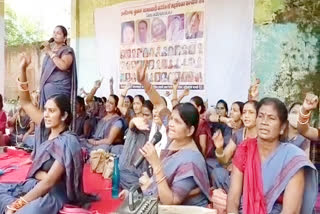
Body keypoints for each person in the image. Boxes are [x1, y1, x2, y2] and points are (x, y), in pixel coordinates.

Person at [5, 54, 96, 214]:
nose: (46, 114)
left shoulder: (68, 141)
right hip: (35, 185)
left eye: (52, 111)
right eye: (45, 110)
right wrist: (22, 69)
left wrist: (19, 204)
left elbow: (50, 182)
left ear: (64, 116)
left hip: (54, 194)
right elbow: (25, 102)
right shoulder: (45, 126)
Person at [119, 62, 210, 206]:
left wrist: (156, 164)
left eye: (177, 122)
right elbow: (160, 105)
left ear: (190, 130)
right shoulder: (176, 136)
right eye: (171, 119)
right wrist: (144, 83)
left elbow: (171, 201)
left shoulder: (190, 160)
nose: (171, 124)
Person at [228, 97, 318, 214]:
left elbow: (290, 211)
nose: (264, 122)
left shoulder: (293, 159)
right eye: (260, 116)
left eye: (271, 118)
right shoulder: (244, 150)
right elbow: (233, 198)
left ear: (282, 127)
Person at [40, 25, 77, 125]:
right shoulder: (50, 53)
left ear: (64, 38)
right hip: (47, 92)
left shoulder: (67, 50)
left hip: (60, 89)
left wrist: (49, 52)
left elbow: (64, 65)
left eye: (59, 33)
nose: (55, 34)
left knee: (58, 116)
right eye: (54, 32)